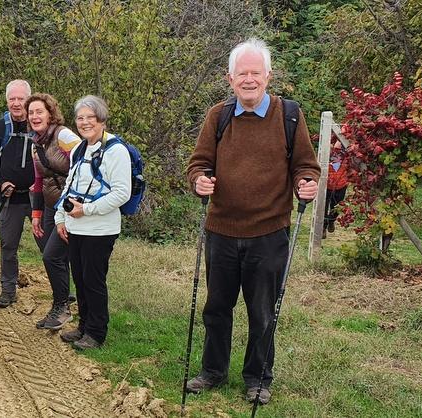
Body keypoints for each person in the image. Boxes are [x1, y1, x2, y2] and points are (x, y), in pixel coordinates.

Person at [184, 38, 320, 405]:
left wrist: (306, 182)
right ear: (230, 78)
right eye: (241, 73)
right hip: (222, 231)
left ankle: (258, 378)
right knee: (216, 308)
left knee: (262, 311)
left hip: (269, 232)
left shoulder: (289, 115)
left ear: (268, 76)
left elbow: (306, 164)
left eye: (255, 73)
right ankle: (212, 371)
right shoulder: (218, 116)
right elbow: (198, 163)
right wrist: (200, 180)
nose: (248, 79)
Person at [55, 95, 131, 350]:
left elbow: (122, 193)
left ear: (101, 119)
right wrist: (60, 217)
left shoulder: (116, 151)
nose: (85, 122)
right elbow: (68, 185)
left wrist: (86, 209)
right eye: (80, 118)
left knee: (94, 280)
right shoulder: (79, 149)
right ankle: (84, 326)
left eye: (90, 117)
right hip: (76, 226)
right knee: (80, 277)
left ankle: (97, 333)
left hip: (100, 229)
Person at [26, 93, 82, 329]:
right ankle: (62, 298)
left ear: (50, 113)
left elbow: (84, 165)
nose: (35, 116)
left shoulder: (64, 135)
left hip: (70, 208)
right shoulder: (35, 142)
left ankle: (62, 308)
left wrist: (75, 202)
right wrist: (36, 215)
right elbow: (38, 180)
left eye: (39, 111)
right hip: (50, 206)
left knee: (52, 256)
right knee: (49, 252)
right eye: (31, 113)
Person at [0, 79, 34, 308]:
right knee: (7, 245)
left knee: (50, 247)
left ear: (29, 100)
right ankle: (8, 289)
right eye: (12, 99)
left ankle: (60, 292)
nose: (16, 103)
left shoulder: (40, 124)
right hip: (11, 198)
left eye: (20, 99)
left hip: (38, 197)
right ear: (7, 100)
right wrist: (1, 183)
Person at [324, 138, 348, 237]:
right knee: (323, 208)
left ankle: (331, 221)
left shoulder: (346, 151)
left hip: (341, 184)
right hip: (326, 185)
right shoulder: (326, 152)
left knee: (336, 207)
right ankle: (323, 228)